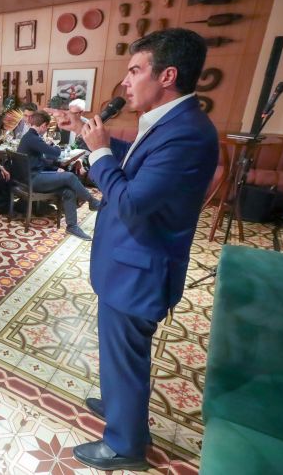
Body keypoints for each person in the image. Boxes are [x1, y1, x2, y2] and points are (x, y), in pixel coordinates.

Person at [48, 29, 219, 471]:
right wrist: (92, 137)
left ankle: (125, 446)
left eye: (135, 70)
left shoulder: (188, 134)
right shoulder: (169, 122)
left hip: (140, 270)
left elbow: (132, 202)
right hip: (127, 264)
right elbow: (137, 162)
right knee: (119, 354)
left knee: (126, 356)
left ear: (167, 75)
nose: (125, 81)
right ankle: (119, 406)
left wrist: (100, 155)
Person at [15, 111, 99, 239]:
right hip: (33, 180)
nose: (46, 129)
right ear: (43, 125)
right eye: (47, 127)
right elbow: (55, 153)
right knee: (70, 176)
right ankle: (92, 201)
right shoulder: (33, 138)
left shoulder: (29, 137)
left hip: (31, 178)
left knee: (68, 191)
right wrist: (55, 146)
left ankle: (72, 226)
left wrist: (56, 168)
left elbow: (40, 161)